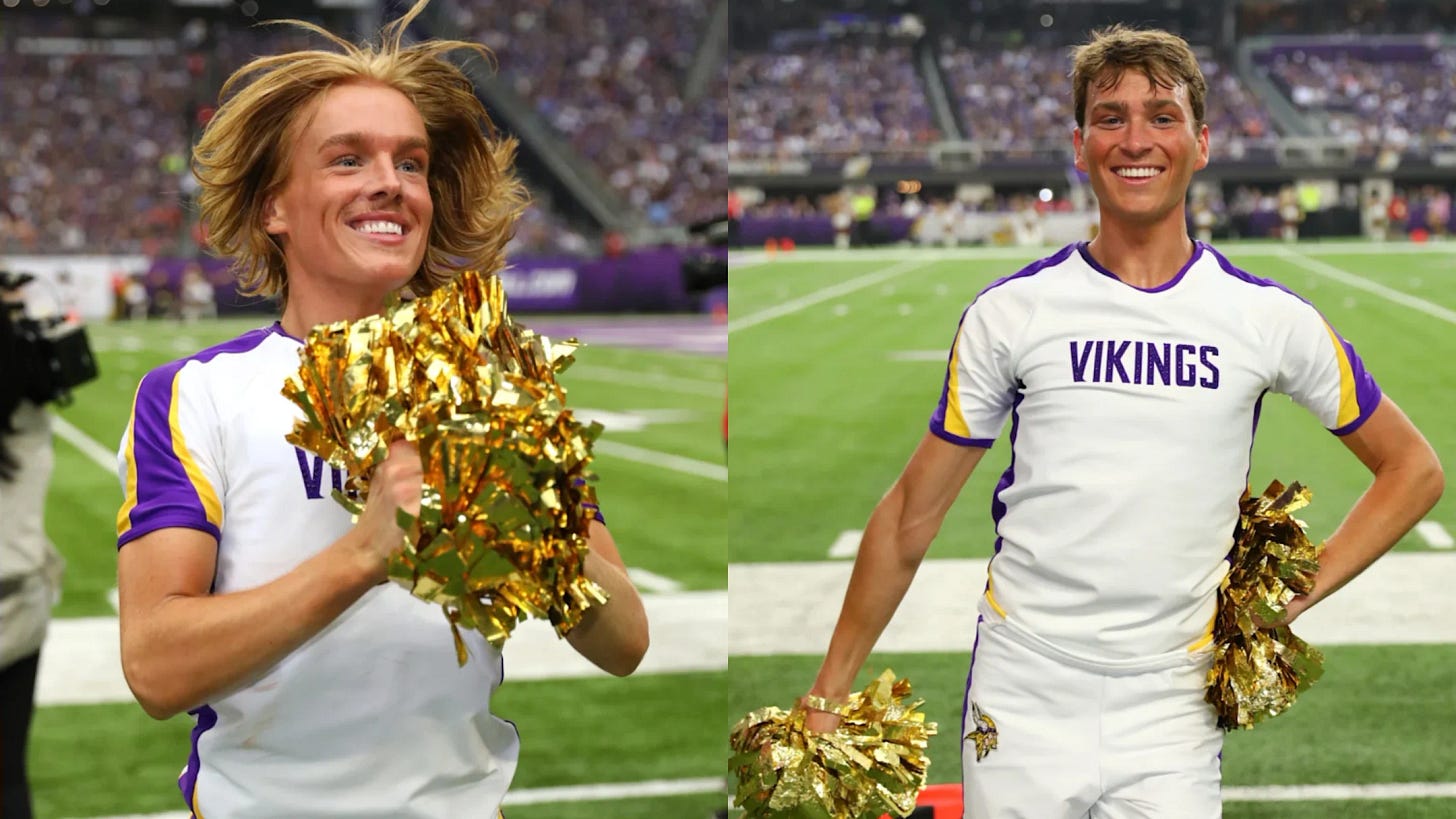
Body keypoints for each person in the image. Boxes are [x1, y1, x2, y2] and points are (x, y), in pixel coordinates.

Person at [800, 25, 1442, 819]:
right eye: (1110, 117)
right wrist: (831, 683)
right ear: (1079, 144)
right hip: (1025, 684)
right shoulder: (1012, 314)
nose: (1136, 139)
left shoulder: (1267, 319)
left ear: (1202, 143)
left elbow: (1414, 469)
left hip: (1174, 701)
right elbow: (908, 517)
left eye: (1161, 116)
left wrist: (1285, 602)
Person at [113, 3, 649, 816]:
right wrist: (365, 553)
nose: (390, 183)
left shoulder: (500, 384)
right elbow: (155, 669)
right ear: (273, 208)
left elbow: (624, 643)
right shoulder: (197, 394)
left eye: (411, 161)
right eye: (346, 159)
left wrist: (529, 524)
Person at [0, 272, 66, 819]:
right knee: (7, 773)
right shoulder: (23, 412)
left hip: (17, 592)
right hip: (15, 598)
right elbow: (58, 369)